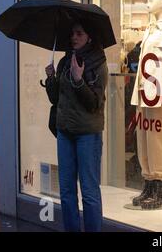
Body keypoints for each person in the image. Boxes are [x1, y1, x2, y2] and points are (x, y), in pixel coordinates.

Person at [45, 20, 108, 232]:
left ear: (89, 37)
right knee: (66, 190)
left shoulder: (98, 63)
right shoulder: (65, 61)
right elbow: (56, 99)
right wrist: (52, 78)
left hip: (87, 135)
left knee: (89, 191)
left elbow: (94, 103)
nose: (74, 37)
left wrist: (79, 80)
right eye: (72, 33)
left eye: (79, 33)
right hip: (64, 132)